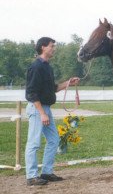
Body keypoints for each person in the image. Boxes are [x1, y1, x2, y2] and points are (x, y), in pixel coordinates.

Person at [25, 37, 80, 186]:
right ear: (43, 47)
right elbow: (31, 93)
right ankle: (31, 176)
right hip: (38, 108)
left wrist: (69, 83)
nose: (54, 48)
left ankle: (46, 172)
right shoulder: (36, 67)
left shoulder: (47, 67)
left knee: (54, 140)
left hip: (45, 109)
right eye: (52, 46)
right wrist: (42, 113)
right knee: (34, 143)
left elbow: (53, 88)